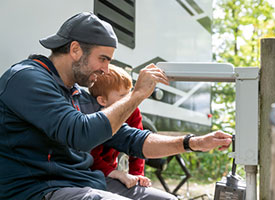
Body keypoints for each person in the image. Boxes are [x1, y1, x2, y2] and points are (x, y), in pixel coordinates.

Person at [0, 12, 232, 200]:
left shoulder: (77, 94)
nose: (106, 69)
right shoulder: (27, 79)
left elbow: (132, 139)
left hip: (85, 183)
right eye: (103, 59)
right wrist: (136, 95)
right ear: (75, 50)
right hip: (38, 190)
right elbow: (80, 134)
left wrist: (193, 142)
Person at [87, 64, 176, 199]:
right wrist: (116, 173)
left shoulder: (133, 111)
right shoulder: (95, 117)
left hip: (110, 170)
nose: (129, 99)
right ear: (102, 100)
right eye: (123, 95)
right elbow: (92, 157)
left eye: (130, 93)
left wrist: (137, 175)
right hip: (93, 173)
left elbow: (138, 145)